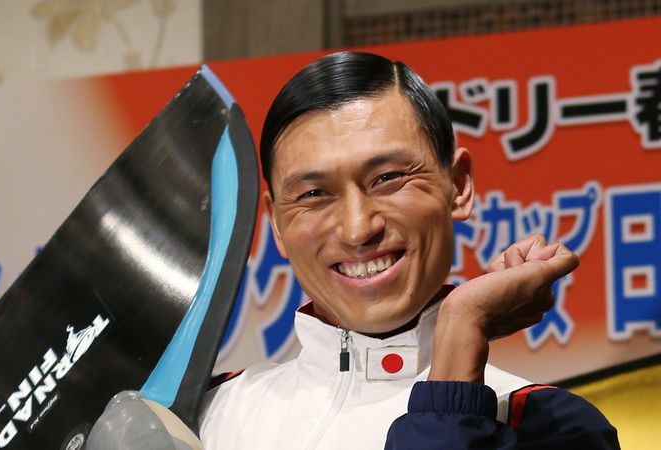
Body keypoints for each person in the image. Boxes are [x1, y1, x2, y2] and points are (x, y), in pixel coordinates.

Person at [198, 52, 619, 449]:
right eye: (314, 193)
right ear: (276, 222)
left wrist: (459, 339)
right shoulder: (207, 417)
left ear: (458, 186)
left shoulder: (546, 425)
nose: (358, 229)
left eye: (387, 178)